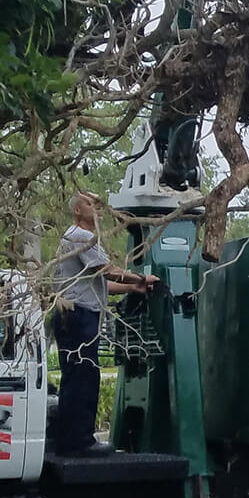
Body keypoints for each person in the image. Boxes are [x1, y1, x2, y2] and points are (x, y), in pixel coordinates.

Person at [52, 192, 160, 456]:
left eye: (100, 205)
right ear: (78, 209)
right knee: (83, 378)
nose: (98, 210)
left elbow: (103, 284)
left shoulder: (80, 239)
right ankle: (80, 442)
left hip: (74, 315)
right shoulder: (81, 237)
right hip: (78, 316)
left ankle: (71, 440)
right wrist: (141, 277)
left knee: (77, 378)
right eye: (91, 204)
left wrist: (134, 288)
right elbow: (107, 270)